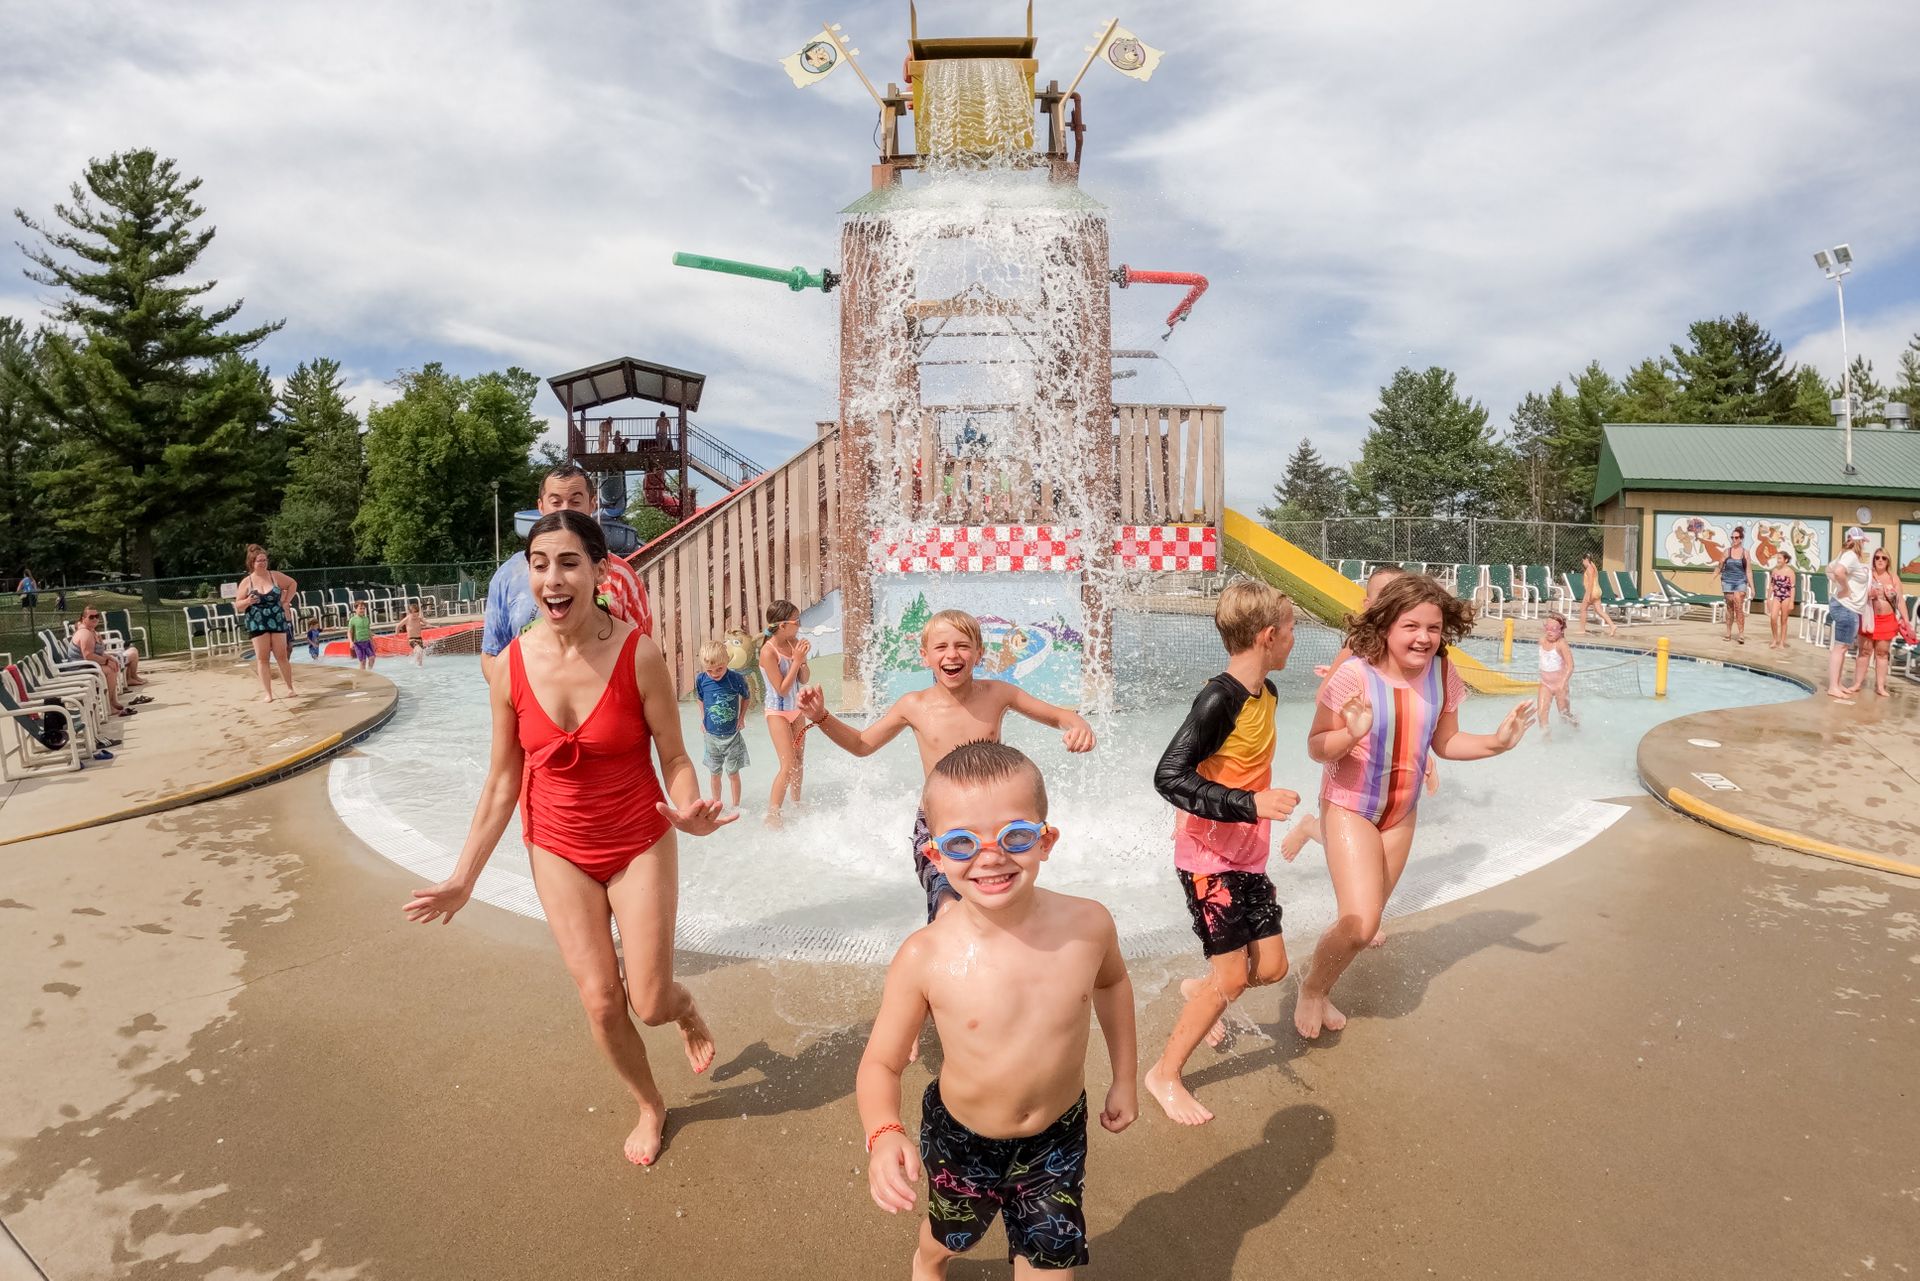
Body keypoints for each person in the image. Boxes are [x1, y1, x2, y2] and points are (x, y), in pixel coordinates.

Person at [404, 510, 733, 1167]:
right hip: (558, 845)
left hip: (639, 837)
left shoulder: (638, 652)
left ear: (599, 572)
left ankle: (683, 1005)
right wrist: (462, 876)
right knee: (603, 1001)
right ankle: (650, 1102)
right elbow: (503, 782)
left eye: (569, 563)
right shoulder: (510, 667)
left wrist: (689, 804)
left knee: (648, 998)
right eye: (540, 564)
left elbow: (673, 752)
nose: (553, 578)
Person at [857, 741, 1136, 1277]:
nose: (991, 856)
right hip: (963, 1139)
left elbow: (1114, 985)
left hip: (1057, 1137)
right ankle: (929, 1262)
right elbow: (881, 1063)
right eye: (962, 843)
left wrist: (1125, 1076)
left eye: (1015, 836)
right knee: (949, 1236)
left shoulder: (1089, 926)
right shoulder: (925, 956)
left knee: (1051, 1259)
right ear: (934, 855)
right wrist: (883, 1131)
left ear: (1045, 840)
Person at [1294, 574, 1535, 1040]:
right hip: (1350, 807)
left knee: (1366, 921)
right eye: (1411, 626)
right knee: (1361, 924)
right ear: (1386, 625)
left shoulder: (1444, 674)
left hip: (1401, 813)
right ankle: (1311, 988)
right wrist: (1352, 734)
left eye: (1434, 627)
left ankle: (1323, 982)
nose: (1424, 638)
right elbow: (1317, 746)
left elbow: (1445, 742)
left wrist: (1497, 743)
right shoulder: (1354, 674)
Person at [797, 609, 1097, 922]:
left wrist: (1078, 726)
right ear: (925, 656)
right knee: (948, 905)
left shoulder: (998, 694)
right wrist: (821, 717)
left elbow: (1059, 715)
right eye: (941, 647)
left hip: (992, 820)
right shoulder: (913, 706)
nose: (952, 655)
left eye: (962, 646)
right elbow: (862, 745)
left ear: (979, 653)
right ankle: (945, 950)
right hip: (938, 822)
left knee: (999, 897)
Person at [1144, 581, 1300, 1126]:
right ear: (1267, 635)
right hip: (1208, 857)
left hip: (1248, 854)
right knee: (1233, 979)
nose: (1293, 638)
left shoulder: (1269, 693)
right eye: (1291, 627)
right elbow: (1169, 776)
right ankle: (1164, 1073)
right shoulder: (1219, 698)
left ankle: (1201, 991)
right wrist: (1250, 802)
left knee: (1274, 969)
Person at [1279, 564, 1440, 949]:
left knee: (1369, 899)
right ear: (1370, 605)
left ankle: (1350, 919)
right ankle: (1313, 835)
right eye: (1384, 599)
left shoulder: (1423, 661)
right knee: (1358, 894)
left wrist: (1424, 752)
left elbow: (1417, 714)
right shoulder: (1357, 650)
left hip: (1390, 783)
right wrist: (1352, 727)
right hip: (1348, 773)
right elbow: (1327, 703)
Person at [480, 464, 651, 686]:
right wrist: (519, 702)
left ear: (592, 505)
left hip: (604, 701)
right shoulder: (507, 577)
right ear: (541, 507)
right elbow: (492, 654)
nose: (565, 510)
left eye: (575, 501)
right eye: (556, 501)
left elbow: (643, 650)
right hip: (535, 707)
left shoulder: (620, 575)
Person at [760, 600, 811, 827]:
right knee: (787, 763)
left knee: (799, 760)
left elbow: (803, 679)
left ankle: (796, 803)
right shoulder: (767, 652)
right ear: (782, 625)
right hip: (777, 713)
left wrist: (803, 661)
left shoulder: (794, 643)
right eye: (796, 621)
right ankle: (773, 812)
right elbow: (781, 688)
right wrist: (796, 660)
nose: (799, 625)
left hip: (795, 710)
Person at [235, 544, 299, 703]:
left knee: (281, 655)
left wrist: (285, 602)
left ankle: (290, 688)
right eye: (259, 561)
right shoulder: (247, 581)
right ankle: (268, 693)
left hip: (277, 619)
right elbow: (238, 605)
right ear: (252, 563)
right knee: (262, 658)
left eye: (264, 560)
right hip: (257, 623)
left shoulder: (274, 576)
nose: (263, 563)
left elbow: (293, 584)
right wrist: (248, 601)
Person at [695, 638, 752, 811]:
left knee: (733, 773)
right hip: (711, 736)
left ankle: (736, 805)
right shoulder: (701, 679)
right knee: (715, 773)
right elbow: (700, 698)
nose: (714, 673)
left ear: (727, 660)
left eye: (719, 668)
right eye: (710, 670)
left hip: (732, 735)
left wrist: (741, 718)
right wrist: (703, 719)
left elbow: (747, 697)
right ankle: (717, 804)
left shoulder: (736, 679)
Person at [1825, 527, 1872, 704]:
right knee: (1841, 647)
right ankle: (1833, 687)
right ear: (1860, 542)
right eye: (1864, 542)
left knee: (1843, 647)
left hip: (1845, 606)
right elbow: (1837, 572)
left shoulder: (1845, 555)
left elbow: (1829, 571)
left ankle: (1836, 683)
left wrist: (1841, 585)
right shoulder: (1851, 556)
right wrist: (1845, 588)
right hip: (1846, 607)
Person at [72, 607, 148, 715]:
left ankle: (112, 701)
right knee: (109, 670)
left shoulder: (91, 631)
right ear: (84, 618)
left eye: (96, 616)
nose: (95, 619)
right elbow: (88, 655)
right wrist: (107, 662)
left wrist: (111, 658)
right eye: (91, 617)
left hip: (90, 665)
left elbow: (98, 652)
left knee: (112, 666)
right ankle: (108, 706)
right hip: (80, 668)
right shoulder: (85, 633)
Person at [1860, 547, 1908, 699]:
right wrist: (1869, 594)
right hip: (1869, 618)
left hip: (1886, 620)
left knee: (1882, 653)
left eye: (1883, 558)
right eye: (1877, 557)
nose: (1880, 560)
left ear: (1888, 561)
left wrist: (1906, 621)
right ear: (1873, 560)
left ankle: (1880, 686)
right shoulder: (1867, 576)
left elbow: (1900, 601)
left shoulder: (1894, 578)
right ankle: (1857, 683)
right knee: (1864, 652)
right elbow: (1857, 594)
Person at [1534, 612, 1576, 739]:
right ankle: (1547, 743)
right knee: (1541, 714)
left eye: (1554, 629)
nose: (1549, 632)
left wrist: (1563, 683)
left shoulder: (1561, 644)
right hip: (1545, 684)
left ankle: (1576, 727)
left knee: (1564, 715)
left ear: (1561, 630)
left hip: (1560, 686)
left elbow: (1570, 666)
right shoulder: (1541, 641)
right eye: (1547, 627)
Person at [1719, 525, 1751, 644]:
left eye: (1736, 538)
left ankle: (1741, 634)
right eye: (1732, 537)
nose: (1734, 540)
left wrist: (1752, 587)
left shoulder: (1745, 553)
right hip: (1728, 581)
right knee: (1730, 606)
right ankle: (1728, 632)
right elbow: (1720, 566)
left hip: (1740, 581)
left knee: (1738, 603)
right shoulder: (1727, 552)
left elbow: (1748, 571)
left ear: (1741, 539)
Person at [1577, 555, 1617, 639]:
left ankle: (1582, 629)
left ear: (1586, 560)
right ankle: (1612, 626)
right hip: (1597, 591)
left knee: (1583, 609)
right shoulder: (1593, 566)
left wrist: (1587, 595)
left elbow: (1591, 583)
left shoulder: (1589, 569)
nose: (1582, 563)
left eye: (1583, 561)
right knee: (1599, 610)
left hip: (1592, 592)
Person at [1765, 553, 1796, 651]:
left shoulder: (1790, 572)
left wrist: (1792, 601)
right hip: (1777, 596)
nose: (1778, 560)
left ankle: (1782, 642)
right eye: (1777, 558)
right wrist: (1768, 598)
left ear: (1785, 560)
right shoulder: (1775, 570)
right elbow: (1771, 585)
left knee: (1784, 619)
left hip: (1786, 596)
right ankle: (1775, 639)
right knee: (1773, 617)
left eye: (1780, 558)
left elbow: (1793, 588)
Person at [347, 601, 376, 669]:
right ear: (356, 609)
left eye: (363, 608)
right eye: (360, 608)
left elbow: (368, 630)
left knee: (372, 658)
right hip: (358, 644)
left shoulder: (366, 619)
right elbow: (349, 632)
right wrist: (351, 642)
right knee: (363, 661)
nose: (362, 610)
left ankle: (369, 672)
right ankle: (362, 675)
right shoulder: (353, 620)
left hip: (367, 642)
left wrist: (372, 641)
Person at [404, 601, 426, 667]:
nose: (414, 614)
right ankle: (416, 664)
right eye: (411, 612)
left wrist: (431, 625)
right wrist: (396, 633)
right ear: (409, 613)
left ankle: (419, 666)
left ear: (418, 612)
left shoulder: (419, 619)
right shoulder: (408, 618)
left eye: (415, 612)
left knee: (421, 652)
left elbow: (426, 623)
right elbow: (399, 625)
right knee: (419, 650)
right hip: (412, 639)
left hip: (419, 639)